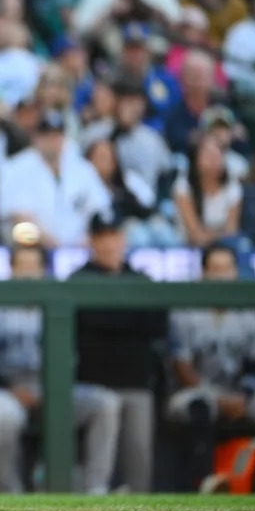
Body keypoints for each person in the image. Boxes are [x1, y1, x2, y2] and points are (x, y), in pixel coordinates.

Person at [0, 244, 120, 493]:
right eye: (22, 266)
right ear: (11, 269)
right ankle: (9, 490)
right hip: (0, 389)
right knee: (5, 416)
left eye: (34, 267)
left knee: (105, 403)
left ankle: (96, 489)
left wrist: (54, 389)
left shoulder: (57, 300)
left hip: (50, 386)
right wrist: (10, 389)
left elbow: (74, 357)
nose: (28, 273)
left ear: (44, 270)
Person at [70, 210, 169, 492]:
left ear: (123, 238)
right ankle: (95, 505)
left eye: (114, 235)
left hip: (136, 384)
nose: (109, 243)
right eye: (102, 236)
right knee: (100, 456)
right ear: (91, 240)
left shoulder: (140, 280)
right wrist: (127, 319)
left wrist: (108, 319)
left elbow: (156, 324)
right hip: (92, 385)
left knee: (140, 463)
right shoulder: (78, 279)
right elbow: (87, 322)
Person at [167, 243, 255, 491]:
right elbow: (182, 368)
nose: (221, 276)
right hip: (197, 390)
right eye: (215, 269)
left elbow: (253, 364)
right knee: (199, 407)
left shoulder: (249, 311)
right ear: (203, 273)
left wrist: (243, 395)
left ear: (236, 272)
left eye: (227, 269)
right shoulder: (186, 311)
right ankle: (205, 481)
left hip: (241, 393)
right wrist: (218, 398)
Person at [0, 110, 111, 246]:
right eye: (47, 135)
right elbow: (17, 217)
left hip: (81, 248)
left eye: (57, 135)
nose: (52, 141)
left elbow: (99, 208)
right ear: (36, 137)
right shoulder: (15, 168)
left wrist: (88, 240)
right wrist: (50, 245)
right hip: (33, 249)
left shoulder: (81, 168)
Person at [172, 134, 243, 248]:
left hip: (223, 247)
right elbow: (194, 233)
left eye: (217, 155)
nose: (214, 160)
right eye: (209, 155)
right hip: (186, 246)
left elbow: (231, 231)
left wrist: (213, 236)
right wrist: (217, 235)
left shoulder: (232, 185)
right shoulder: (183, 186)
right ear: (195, 159)